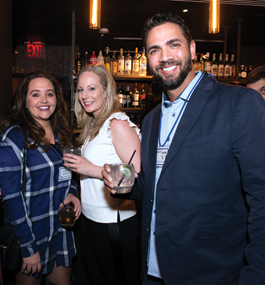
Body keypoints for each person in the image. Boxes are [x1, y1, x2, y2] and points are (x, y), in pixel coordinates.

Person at [102, 13, 265, 284]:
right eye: (155, 50)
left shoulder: (238, 103)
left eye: (173, 45)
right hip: (153, 271)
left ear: (191, 49)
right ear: (148, 59)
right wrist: (127, 184)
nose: (164, 57)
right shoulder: (153, 118)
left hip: (211, 272)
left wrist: (256, 276)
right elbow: (158, 186)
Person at [0, 71, 81, 285]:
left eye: (50, 94)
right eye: (36, 94)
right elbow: (12, 198)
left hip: (60, 229)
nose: (44, 100)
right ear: (24, 101)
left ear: (57, 99)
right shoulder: (13, 138)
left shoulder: (62, 134)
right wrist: (28, 248)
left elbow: (70, 174)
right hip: (30, 233)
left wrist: (72, 193)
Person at [63, 64, 141, 285]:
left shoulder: (117, 124)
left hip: (114, 223)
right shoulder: (94, 125)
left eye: (91, 89)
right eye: (80, 90)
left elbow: (137, 175)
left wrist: (92, 170)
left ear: (106, 92)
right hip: (91, 219)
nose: (84, 96)